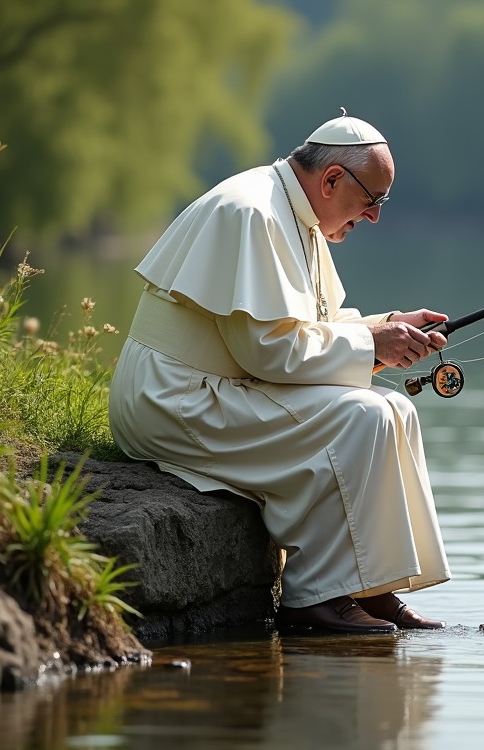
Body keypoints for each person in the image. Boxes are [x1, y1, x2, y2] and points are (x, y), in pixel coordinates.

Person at [108, 110, 451, 634]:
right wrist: (370, 345)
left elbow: (309, 324)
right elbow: (266, 352)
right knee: (364, 418)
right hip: (172, 399)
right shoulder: (253, 211)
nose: (376, 216)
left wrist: (388, 327)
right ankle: (314, 596)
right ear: (332, 179)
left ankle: (371, 586)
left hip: (216, 388)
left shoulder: (294, 211)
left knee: (396, 409)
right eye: (374, 200)